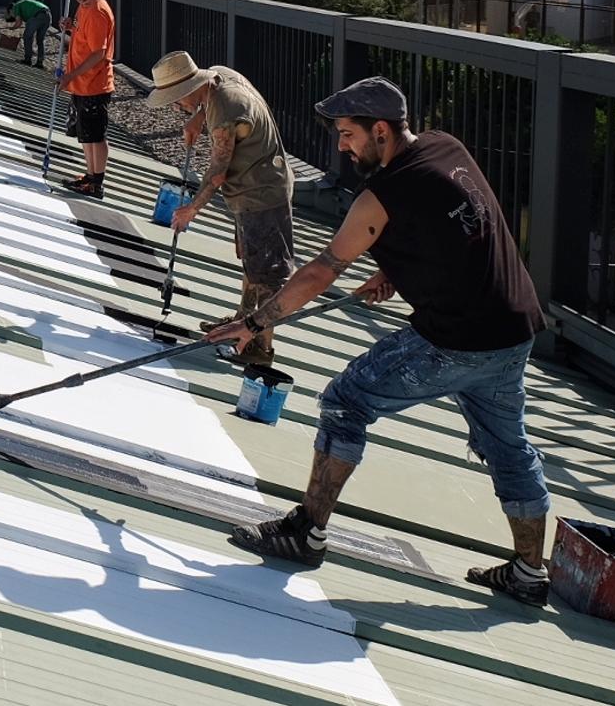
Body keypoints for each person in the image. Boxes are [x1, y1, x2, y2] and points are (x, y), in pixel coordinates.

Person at [208, 76, 553, 606]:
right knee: (509, 448)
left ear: (383, 132)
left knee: (346, 401)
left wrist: (254, 323)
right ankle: (531, 573)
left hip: (456, 339)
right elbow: (458, 230)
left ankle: (307, 532)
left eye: (349, 134)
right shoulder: (446, 148)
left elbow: (321, 271)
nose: (342, 146)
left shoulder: (381, 196)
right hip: (513, 330)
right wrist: (400, 269)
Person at [144, 53, 295, 367]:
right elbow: (217, 103)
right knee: (252, 264)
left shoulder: (224, 110)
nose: (176, 107)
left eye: (175, 101)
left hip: (261, 192)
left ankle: (259, 349)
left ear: (189, 89)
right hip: (254, 187)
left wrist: (191, 210)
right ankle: (243, 320)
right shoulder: (219, 77)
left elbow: (217, 171)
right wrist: (198, 117)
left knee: (266, 275)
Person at [56, 0, 115, 199]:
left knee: (95, 134)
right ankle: (90, 176)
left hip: (94, 83)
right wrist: (71, 28)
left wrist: (71, 75)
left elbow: (98, 53)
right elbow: (84, 37)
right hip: (82, 83)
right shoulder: (84, 7)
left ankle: (97, 182)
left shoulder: (98, 11)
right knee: (85, 133)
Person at [8, 0, 54, 67]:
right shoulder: (23, 4)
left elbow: (18, 23)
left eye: (11, 14)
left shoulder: (16, 6)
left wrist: (11, 28)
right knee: (40, 40)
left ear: (11, 10)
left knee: (27, 37)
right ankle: (40, 62)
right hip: (48, 15)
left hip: (37, 15)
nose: (12, 16)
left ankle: (27, 60)